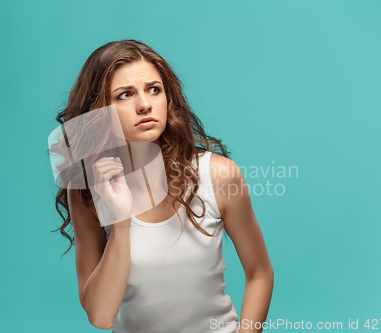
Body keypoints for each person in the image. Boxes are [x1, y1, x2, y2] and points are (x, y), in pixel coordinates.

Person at [51, 39, 274, 332]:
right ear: (99, 111)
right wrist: (119, 222)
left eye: (154, 89)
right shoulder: (88, 192)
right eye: (125, 95)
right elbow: (100, 316)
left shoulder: (218, 175)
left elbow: (260, 272)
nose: (144, 105)